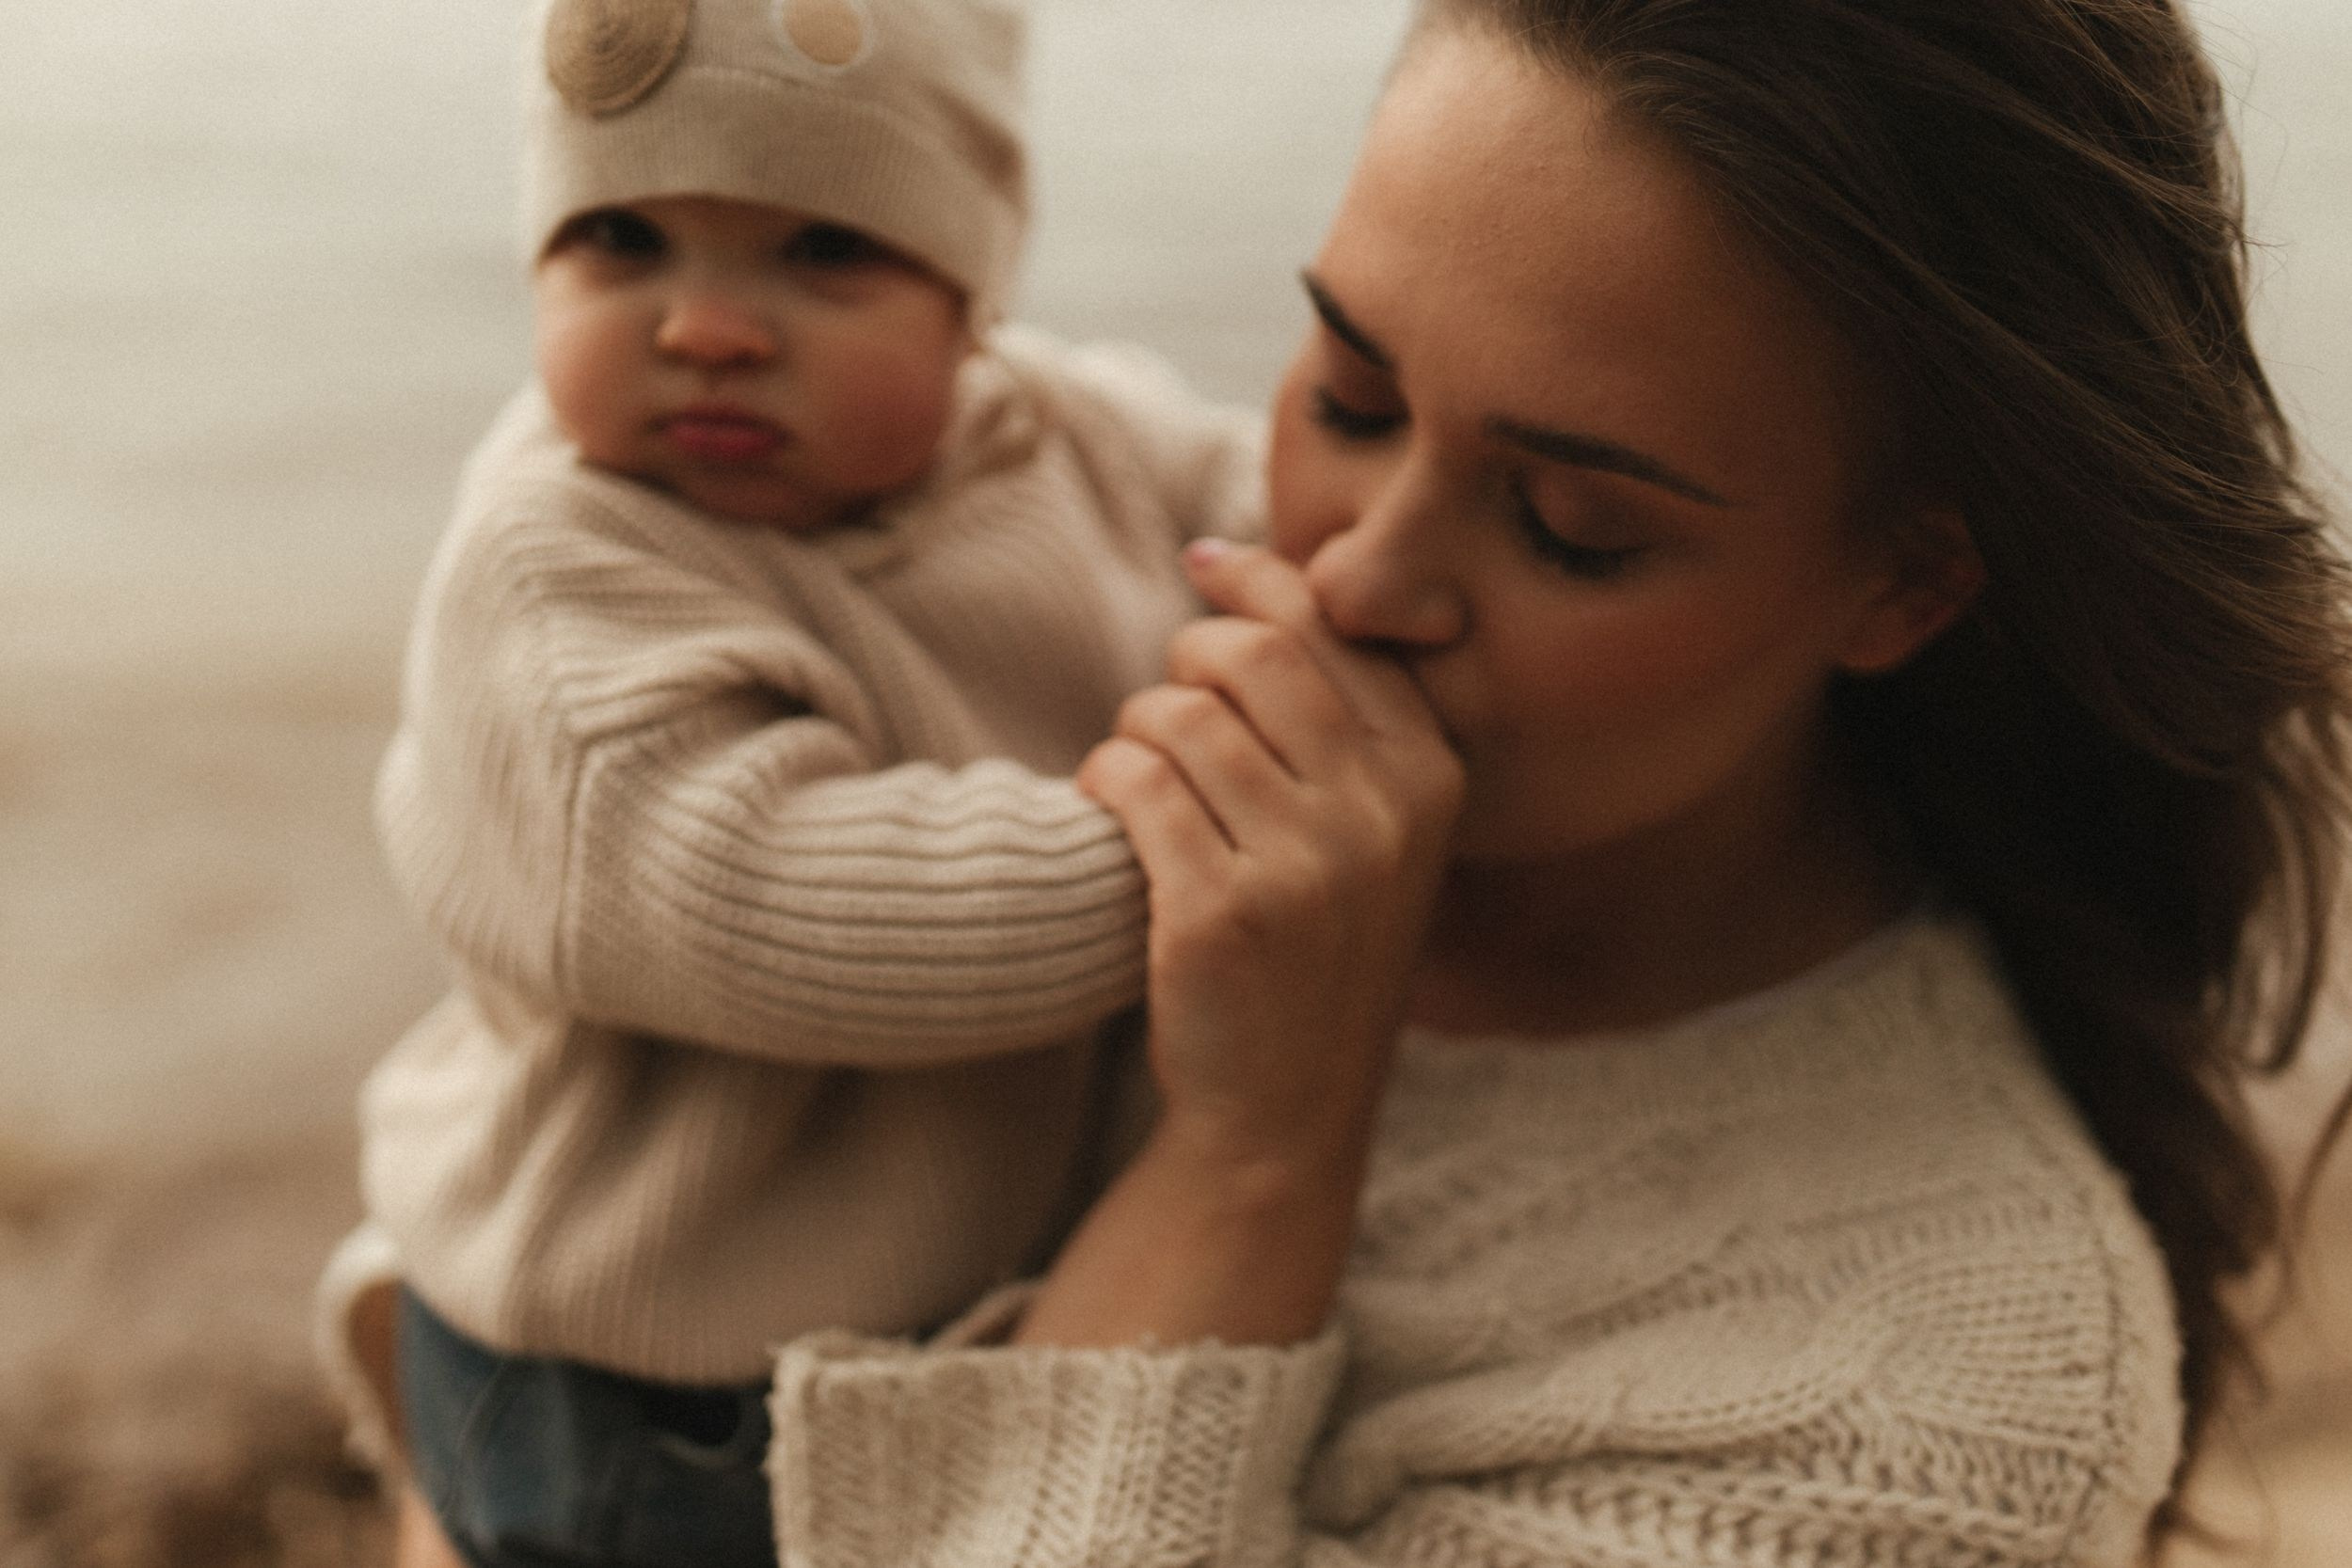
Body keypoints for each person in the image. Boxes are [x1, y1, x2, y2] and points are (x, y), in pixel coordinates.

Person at [381, 0, 2352, 1563]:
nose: (1346, 575)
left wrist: (1259, 1149)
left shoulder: (1924, 1410)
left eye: (1569, 524)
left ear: (1906, 577)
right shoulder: (1124, 621)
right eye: (1342, 393)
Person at [319, 0, 1264, 1561]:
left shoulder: (1056, 426)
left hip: (901, 1292)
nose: (707, 327)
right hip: (645, 1383)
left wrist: (1356, 593)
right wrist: (1210, 852)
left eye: (821, 251)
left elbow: (1244, 498)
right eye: (623, 236)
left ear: (970, 300)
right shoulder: (558, 575)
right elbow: (782, 900)